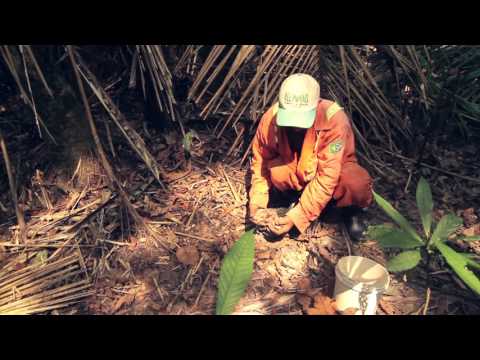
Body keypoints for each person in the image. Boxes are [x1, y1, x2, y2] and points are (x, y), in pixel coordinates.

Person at [248, 73, 373, 241]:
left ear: (317, 105)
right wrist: (257, 203)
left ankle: (352, 211)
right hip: (298, 169)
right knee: (277, 172)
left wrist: (298, 216)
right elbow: (260, 162)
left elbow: (328, 175)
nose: (296, 127)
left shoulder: (335, 120)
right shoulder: (270, 119)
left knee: (356, 183)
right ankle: (298, 199)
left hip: (332, 168)